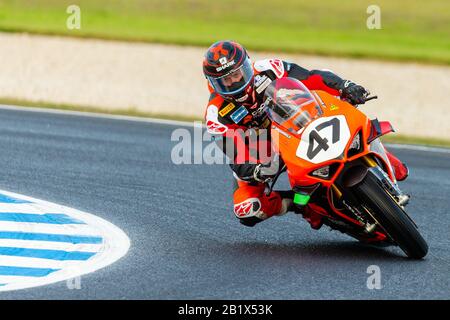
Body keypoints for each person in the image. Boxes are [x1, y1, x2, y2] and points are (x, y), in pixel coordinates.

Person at [203, 40, 409, 228]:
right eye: (226, 81)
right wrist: (254, 170)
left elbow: (312, 78)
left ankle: (387, 162)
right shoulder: (215, 114)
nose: (234, 82)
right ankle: (301, 205)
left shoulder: (269, 69)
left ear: (247, 65)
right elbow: (235, 154)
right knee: (247, 209)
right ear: (213, 84)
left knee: (342, 104)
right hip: (261, 151)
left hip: (294, 120)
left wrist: (345, 86)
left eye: (237, 74)